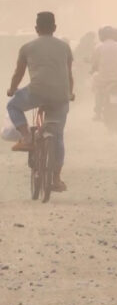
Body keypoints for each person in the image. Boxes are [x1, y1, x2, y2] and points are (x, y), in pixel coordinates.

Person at [6, 12, 74, 192]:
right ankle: (56, 179)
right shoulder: (65, 47)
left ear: (36, 29)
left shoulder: (27, 47)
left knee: (12, 105)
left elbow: (18, 74)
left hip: (36, 93)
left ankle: (26, 136)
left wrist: (12, 90)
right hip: (61, 95)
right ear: (55, 28)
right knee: (58, 135)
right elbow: (69, 74)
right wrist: (71, 93)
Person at [91, 26, 117, 121]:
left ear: (102, 36)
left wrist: (93, 70)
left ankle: (97, 112)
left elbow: (94, 63)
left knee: (98, 91)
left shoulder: (98, 47)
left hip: (103, 79)